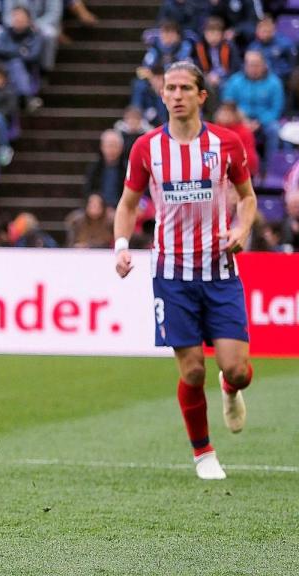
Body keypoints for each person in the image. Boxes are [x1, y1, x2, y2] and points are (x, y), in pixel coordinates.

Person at [114, 61, 256, 481]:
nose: (176, 95)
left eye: (184, 88)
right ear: (162, 95)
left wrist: (242, 228)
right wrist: (121, 247)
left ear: (200, 95)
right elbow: (126, 203)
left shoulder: (226, 144)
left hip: (220, 271)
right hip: (172, 274)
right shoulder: (146, 148)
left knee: (236, 370)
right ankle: (203, 454)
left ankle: (231, 390)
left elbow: (247, 198)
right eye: (169, 88)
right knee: (192, 369)